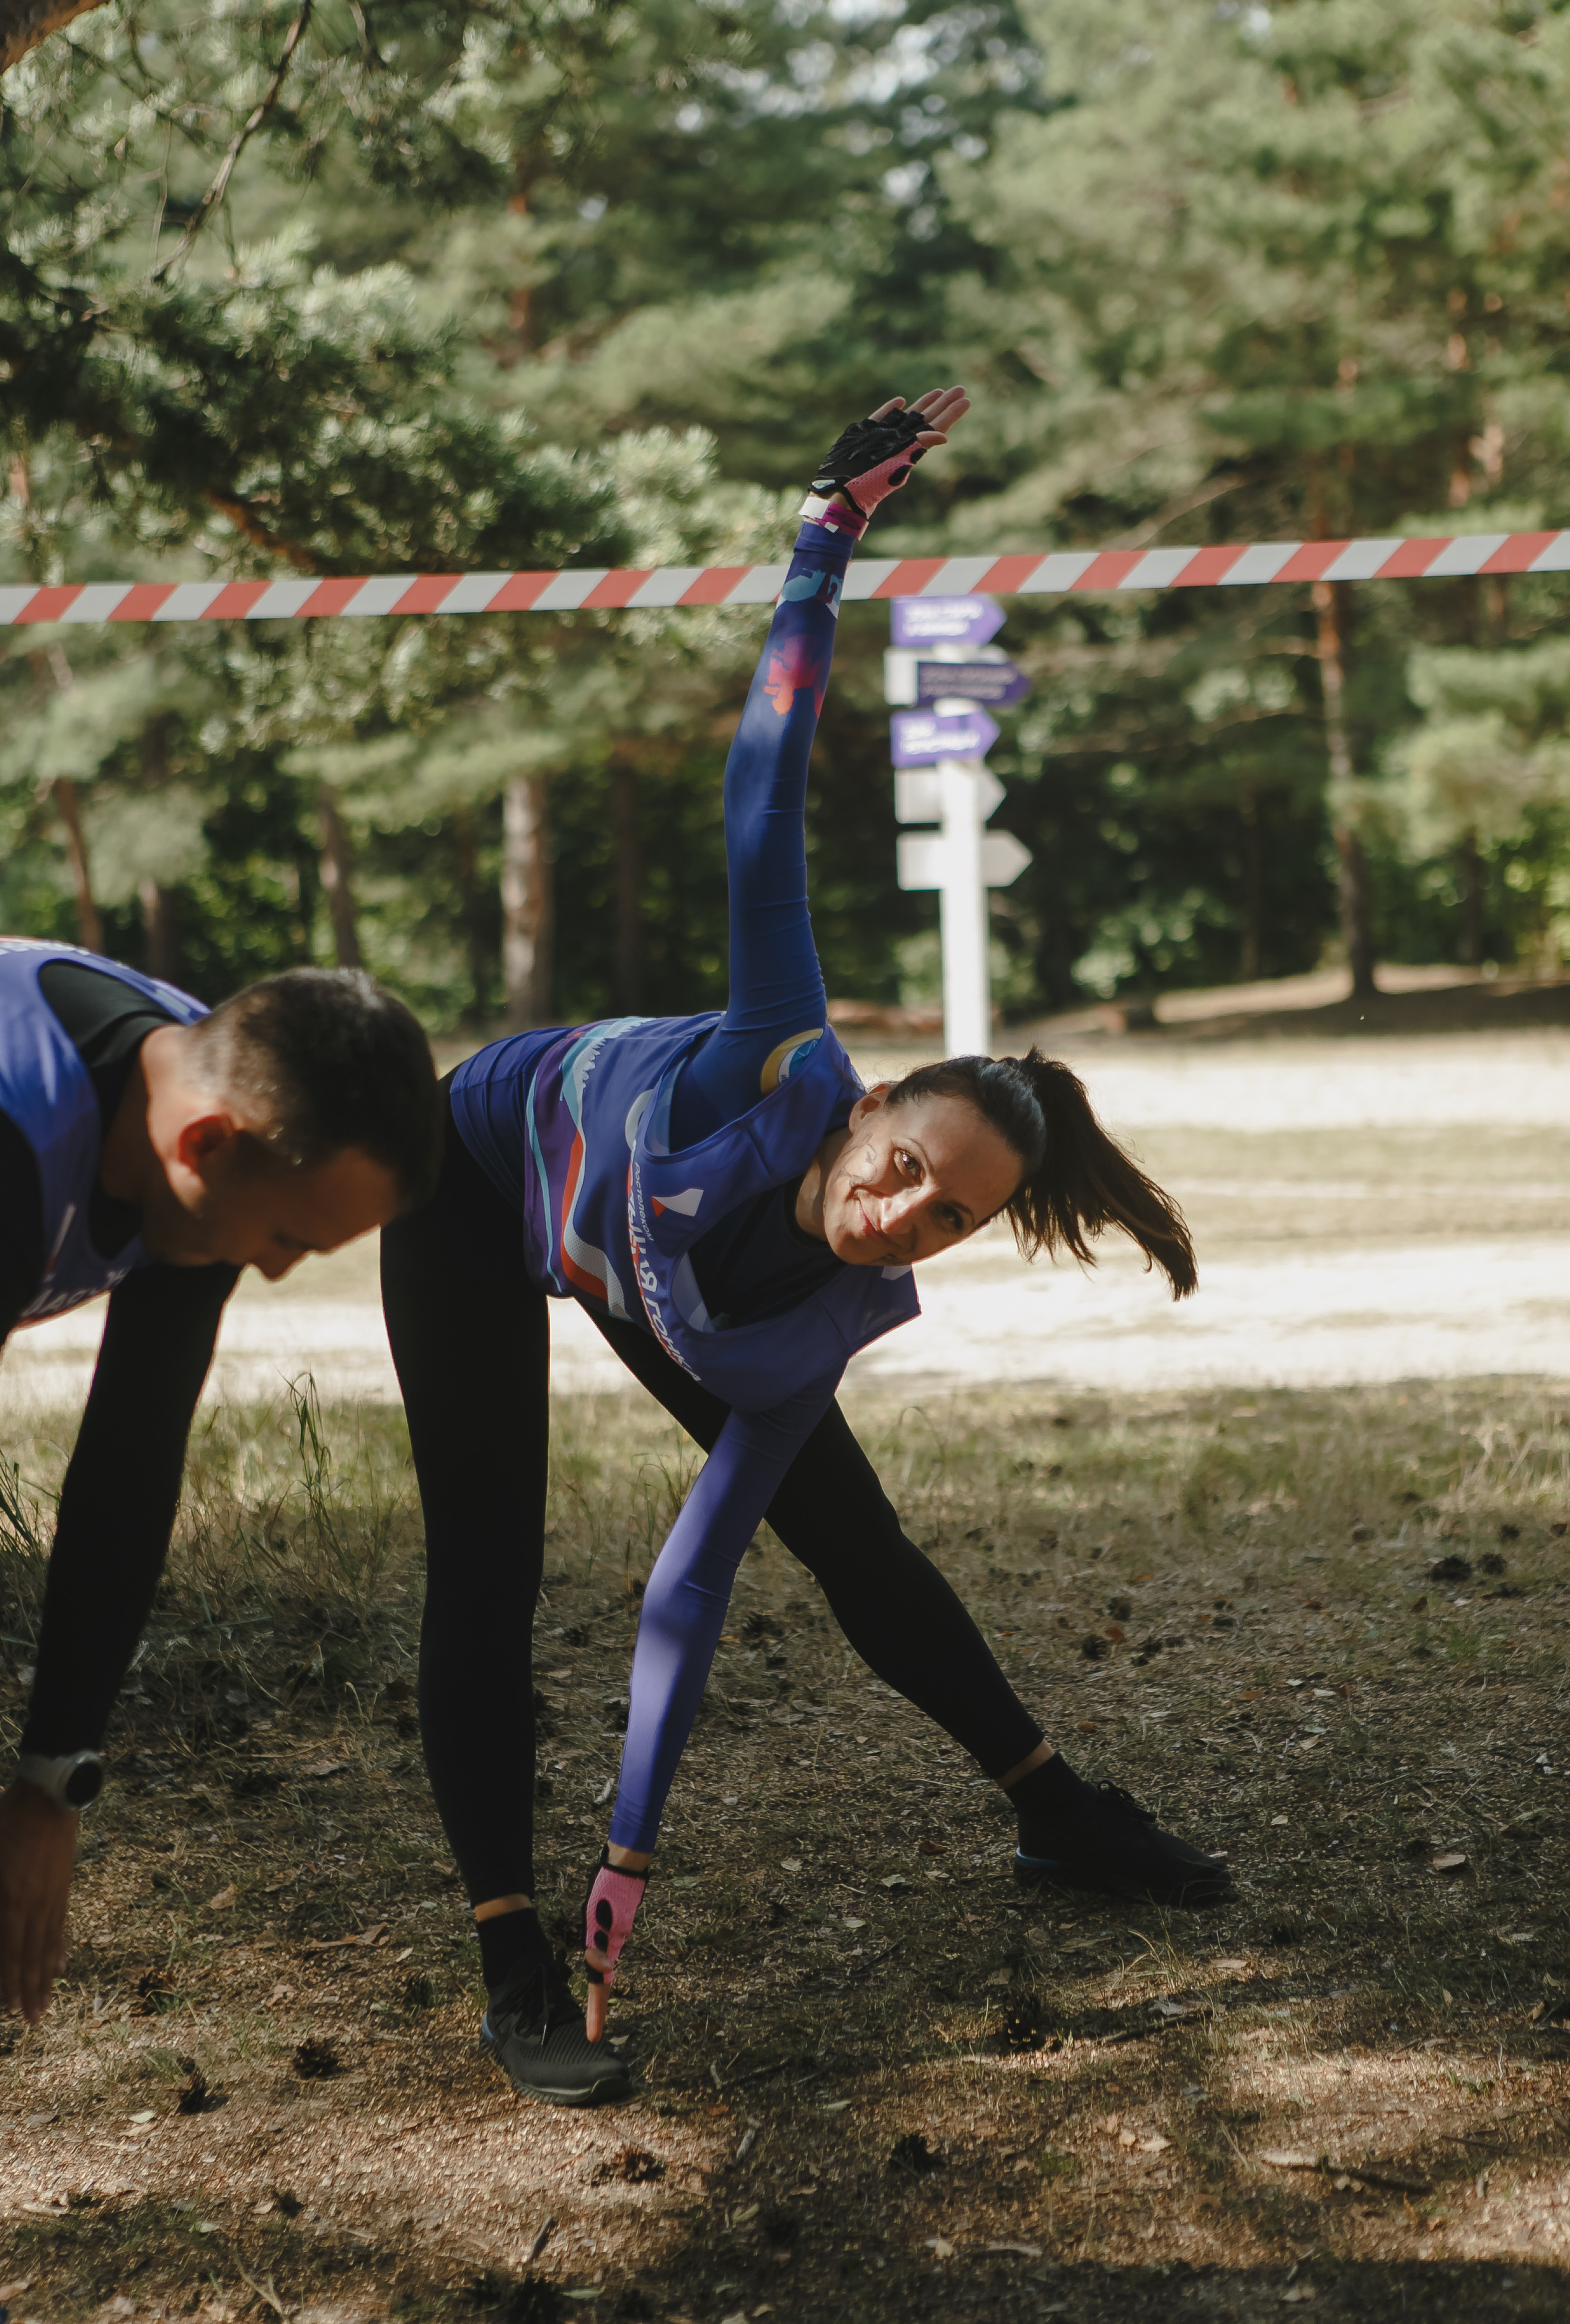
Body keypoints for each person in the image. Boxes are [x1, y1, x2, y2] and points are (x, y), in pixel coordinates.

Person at [381, 386, 1230, 2113]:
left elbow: (689, 1591)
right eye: (909, 1163)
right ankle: (509, 1956)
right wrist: (818, 545)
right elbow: (761, 807)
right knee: (483, 1571)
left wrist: (641, 1859)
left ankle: (1054, 1813)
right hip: (478, 1191)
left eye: (953, 1214)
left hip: (665, 1272)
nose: (905, 1209)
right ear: (866, 1108)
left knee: (851, 1533)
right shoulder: (774, 1054)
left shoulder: (829, 1302)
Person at [0, 945, 441, 2150]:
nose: (278, 1271)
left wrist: (49, 1779)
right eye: (288, 1236)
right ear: (206, 1147)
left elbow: (130, 1464)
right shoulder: (3, 1135)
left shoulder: (211, 1095)